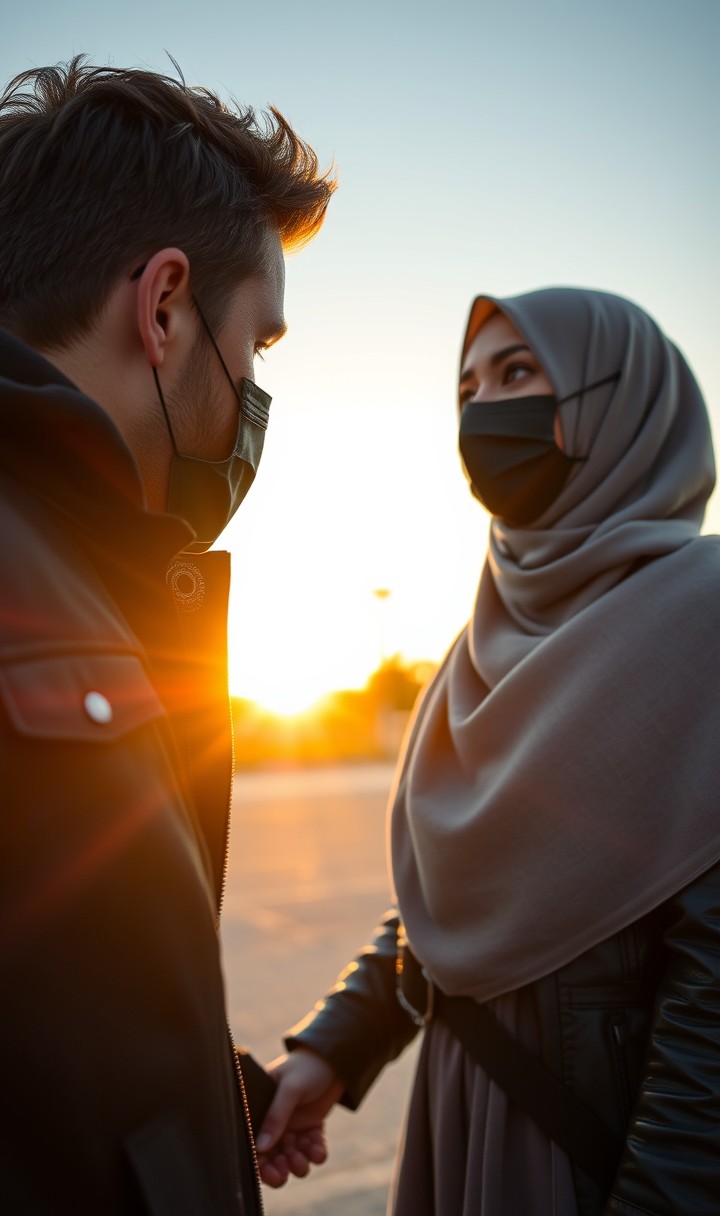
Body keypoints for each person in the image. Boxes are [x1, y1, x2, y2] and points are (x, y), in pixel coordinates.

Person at [0, 56, 333, 1214]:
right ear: (167, 307)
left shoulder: (85, 572)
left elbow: (6, 1008)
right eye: (262, 347)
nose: (258, 391)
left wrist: (206, 1100)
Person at [257, 287, 720, 1215]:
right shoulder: (483, 642)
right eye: (466, 388)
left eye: (516, 373)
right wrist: (333, 1047)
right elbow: (455, 889)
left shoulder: (701, 619)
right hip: (462, 1110)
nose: (481, 411)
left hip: (608, 1151)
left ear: (620, 401)